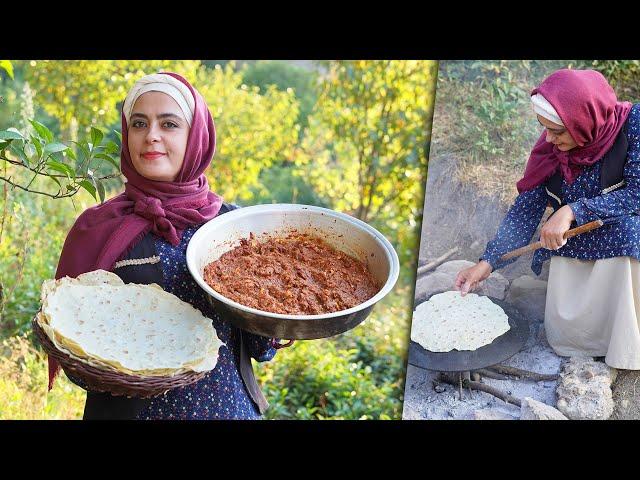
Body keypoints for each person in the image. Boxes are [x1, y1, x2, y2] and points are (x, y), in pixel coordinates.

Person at [48, 72, 277, 419]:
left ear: (196, 136)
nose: (151, 136)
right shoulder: (100, 229)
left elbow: (261, 349)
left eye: (169, 124)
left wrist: (277, 315)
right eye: (139, 123)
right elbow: (77, 353)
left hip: (227, 410)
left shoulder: (233, 228)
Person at [455, 69, 640, 370]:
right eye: (545, 129)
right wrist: (486, 264)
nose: (550, 139)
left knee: (633, 231)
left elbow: (636, 194)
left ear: (582, 120)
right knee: (568, 335)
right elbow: (525, 211)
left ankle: (622, 344)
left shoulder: (633, 125)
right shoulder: (552, 149)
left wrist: (572, 210)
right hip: (574, 241)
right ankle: (579, 341)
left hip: (620, 234)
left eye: (558, 131)